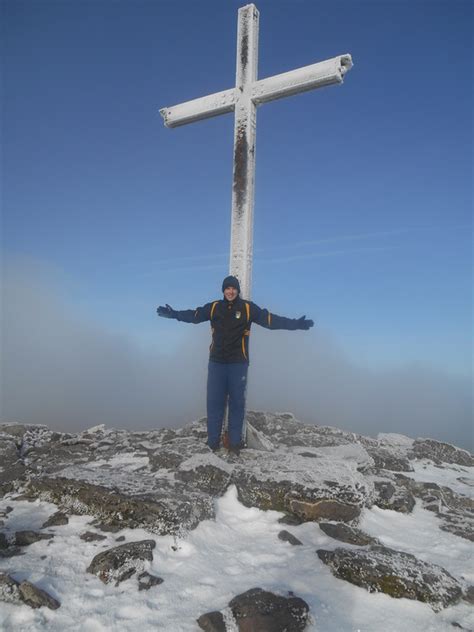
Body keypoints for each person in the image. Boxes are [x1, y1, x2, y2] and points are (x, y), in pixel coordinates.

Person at [157, 275, 313, 455]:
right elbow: (194, 315)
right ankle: (213, 443)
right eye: (227, 288)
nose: (230, 291)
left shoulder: (247, 308)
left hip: (238, 364)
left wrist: (297, 324)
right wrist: (174, 314)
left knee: (237, 404)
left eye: (233, 288)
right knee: (214, 403)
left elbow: (271, 321)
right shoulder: (215, 307)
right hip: (216, 363)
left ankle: (234, 445)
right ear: (223, 290)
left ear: (237, 290)